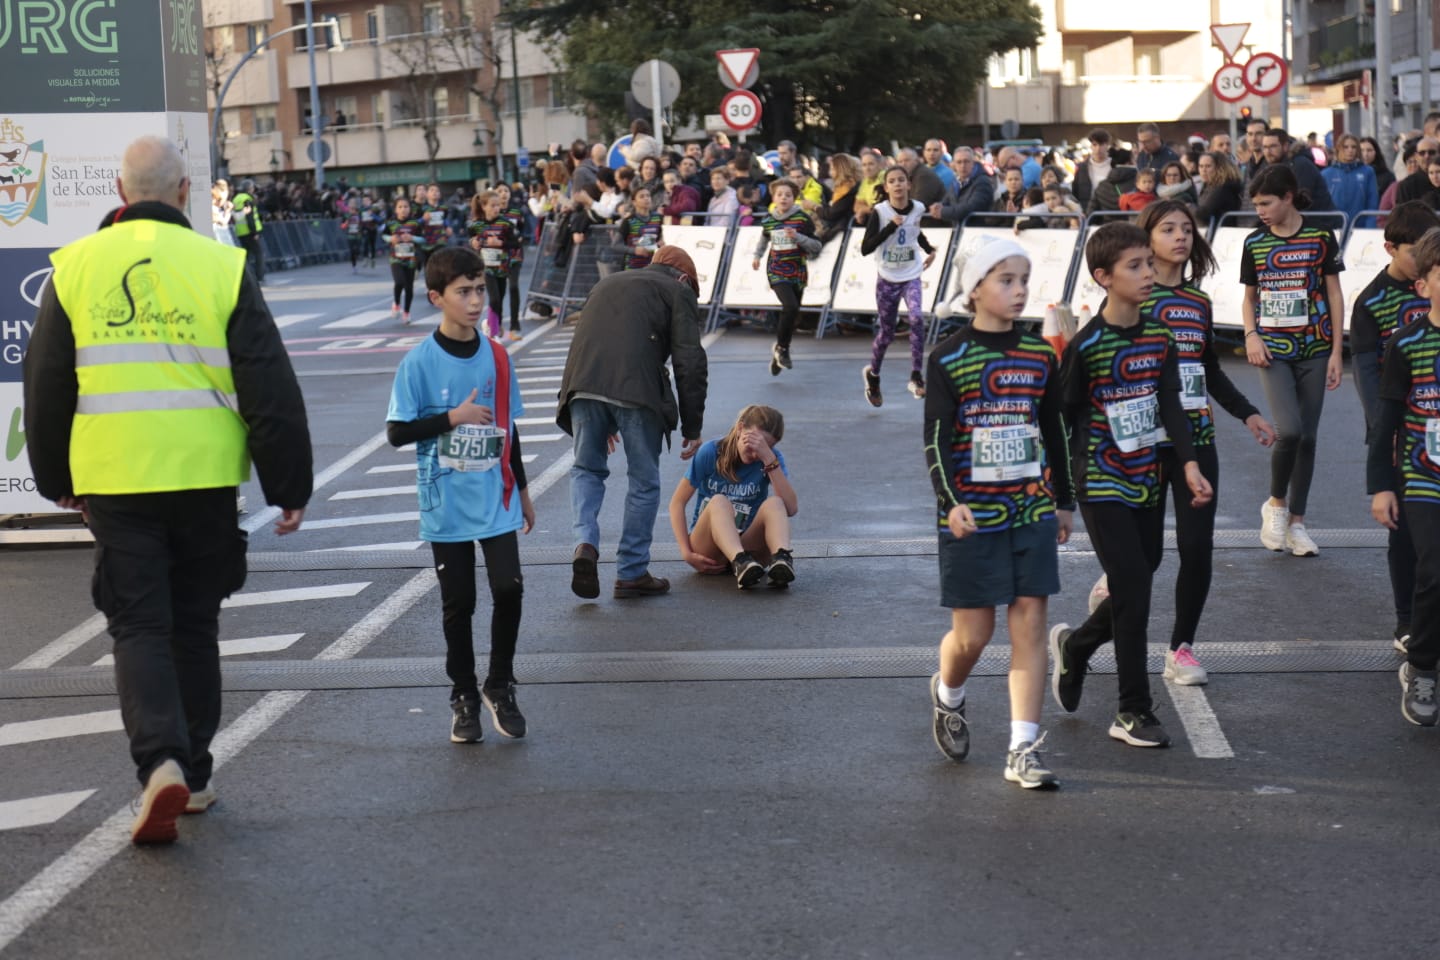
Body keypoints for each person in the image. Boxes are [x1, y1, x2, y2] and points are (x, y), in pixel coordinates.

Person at [23, 135, 312, 844]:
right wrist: (289, 482)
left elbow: (47, 382)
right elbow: (266, 381)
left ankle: (160, 764)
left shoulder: (75, 267)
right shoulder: (220, 266)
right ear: (185, 191)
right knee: (194, 624)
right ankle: (199, 775)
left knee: (139, 626)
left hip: (117, 482)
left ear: (120, 195)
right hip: (206, 477)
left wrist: (57, 479)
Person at [1049, 222, 1213, 748]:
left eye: (1149, 263)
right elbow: (1061, 416)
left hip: (1148, 476)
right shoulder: (1088, 345)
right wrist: (1063, 496)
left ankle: (1077, 645)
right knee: (1135, 589)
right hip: (1100, 480)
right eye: (1135, 266)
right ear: (1103, 277)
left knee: (1140, 576)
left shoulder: (1159, 335)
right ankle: (1132, 710)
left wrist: (1187, 464)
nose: (1148, 274)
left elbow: (1170, 403)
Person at [923, 237, 1074, 787]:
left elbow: (1056, 429)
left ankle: (1022, 749)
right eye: (1006, 280)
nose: (1018, 291)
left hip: (1030, 507)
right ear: (976, 289)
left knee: (1030, 622)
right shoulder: (947, 357)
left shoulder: (1039, 354)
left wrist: (1064, 501)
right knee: (973, 636)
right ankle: (948, 692)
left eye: (1023, 280)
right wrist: (950, 503)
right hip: (972, 514)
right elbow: (936, 439)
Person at [386, 247, 535, 744]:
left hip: (495, 495)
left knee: (509, 588)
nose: (476, 301)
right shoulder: (418, 364)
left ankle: (500, 683)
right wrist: (451, 419)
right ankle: (464, 695)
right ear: (436, 298)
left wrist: (525, 490)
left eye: (480, 289)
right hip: (445, 503)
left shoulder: (496, 355)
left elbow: (507, 424)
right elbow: (396, 432)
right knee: (460, 604)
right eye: (464, 292)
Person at [1134, 200, 1276, 684]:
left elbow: (1208, 368)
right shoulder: (1135, 298)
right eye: (1168, 229)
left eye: (1186, 230)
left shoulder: (1197, 302)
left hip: (1197, 441)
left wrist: (1248, 413)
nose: (1180, 237)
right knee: (1146, 557)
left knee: (1197, 548)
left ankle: (1181, 649)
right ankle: (1091, 624)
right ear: (1147, 237)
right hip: (1144, 444)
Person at [557, 245, 709, 600]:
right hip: (638, 391)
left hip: (584, 385)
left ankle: (585, 543)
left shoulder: (608, 283)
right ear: (685, 277)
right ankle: (631, 571)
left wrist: (579, 403)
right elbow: (690, 361)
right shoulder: (678, 290)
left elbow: (581, 343)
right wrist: (692, 427)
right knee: (643, 481)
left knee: (586, 469)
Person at [1241, 164, 1345, 556]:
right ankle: (1276, 505)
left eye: (1266, 202)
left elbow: (1334, 294)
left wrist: (1336, 350)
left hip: (1315, 347)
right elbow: (1249, 298)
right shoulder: (1255, 243)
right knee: (1290, 430)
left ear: (1287, 197)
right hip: (1273, 349)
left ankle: (1298, 524)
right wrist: (1251, 335)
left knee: (1310, 437)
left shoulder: (1321, 237)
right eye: (1256, 204)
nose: (1261, 210)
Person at [1350, 202, 1439, 653]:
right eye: (1414, 250)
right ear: (1391, 249)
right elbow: (1367, 376)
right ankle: (1406, 620)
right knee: (1404, 531)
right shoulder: (1372, 301)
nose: (1423, 255)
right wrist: (1380, 436)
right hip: (1401, 425)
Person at [1369, 226, 1440, 725]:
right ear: (1425, 284)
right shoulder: (1408, 343)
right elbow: (1386, 423)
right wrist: (1380, 486)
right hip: (1421, 477)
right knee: (1434, 568)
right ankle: (1422, 668)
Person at [667, 404, 798, 589]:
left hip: (748, 547)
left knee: (776, 503)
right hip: (709, 548)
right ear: (740, 428)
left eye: (764, 448)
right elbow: (677, 503)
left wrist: (769, 460)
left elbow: (791, 508)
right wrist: (686, 552)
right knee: (719, 501)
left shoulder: (771, 459)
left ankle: (781, 560)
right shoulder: (711, 452)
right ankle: (739, 562)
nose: (755, 454)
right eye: (753, 444)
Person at [860, 165, 937, 405]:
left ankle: (916, 376)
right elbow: (866, 248)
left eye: (901, 180)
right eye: (892, 181)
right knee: (887, 333)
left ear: (908, 184)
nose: (897, 184)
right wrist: (891, 227)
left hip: (911, 274)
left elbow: (915, 232)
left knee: (916, 319)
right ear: (886, 187)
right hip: (887, 278)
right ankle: (873, 375)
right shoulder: (880, 212)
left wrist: (929, 250)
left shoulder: (918, 208)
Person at [752, 179, 821, 377]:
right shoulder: (769, 219)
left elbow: (816, 246)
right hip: (776, 270)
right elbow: (763, 239)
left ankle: (781, 350)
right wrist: (757, 256)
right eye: (780, 194)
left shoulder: (802, 219)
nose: (783, 198)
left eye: (788, 195)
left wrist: (798, 237)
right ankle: (782, 349)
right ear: (774, 198)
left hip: (797, 271)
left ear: (794, 198)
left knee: (794, 313)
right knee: (789, 306)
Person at [467, 190, 522, 340]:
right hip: (487, 268)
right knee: (494, 298)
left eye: (498, 205)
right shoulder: (477, 225)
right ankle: (494, 334)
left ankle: (491, 324)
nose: (496, 208)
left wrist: (501, 243)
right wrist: (474, 242)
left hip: (502, 267)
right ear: (484, 206)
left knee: (500, 298)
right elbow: (471, 238)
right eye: (493, 205)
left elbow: (515, 243)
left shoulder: (505, 224)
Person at [1322, 133, 1380, 227]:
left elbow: (1372, 203)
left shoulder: (1368, 172)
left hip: (1360, 228)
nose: (1350, 150)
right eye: (1345, 147)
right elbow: (1322, 205)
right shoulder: (1326, 174)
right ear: (1338, 149)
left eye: (1353, 147)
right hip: (1334, 228)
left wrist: (1370, 227)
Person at [930, 146, 994, 228]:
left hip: (978, 233)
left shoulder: (983, 182)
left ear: (973, 162)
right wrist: (937, 207)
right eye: (959, 162)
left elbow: (970, 208)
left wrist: (942, 212)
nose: (963, 165)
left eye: (966, 161)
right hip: (959, 232)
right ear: (954, 164)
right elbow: (946, 201)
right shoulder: (955, 182)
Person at [495, 182, 528, 337]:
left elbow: (522, 229)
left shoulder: (516, 212)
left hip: (514, 255)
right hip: (497, 258)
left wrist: (519, 238)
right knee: (499, 293)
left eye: (506, 190)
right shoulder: (491, 214)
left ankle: (515, 325)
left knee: (513, 286)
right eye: (500, 191)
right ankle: (498, 324)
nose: (503, 193)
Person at [384, 197, 423, 322]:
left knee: (409, 286)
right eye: (400, 207)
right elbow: (384, 236)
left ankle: (406, 312)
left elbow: (423, 239)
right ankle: (396, 304)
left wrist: (412, 238)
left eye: (406, 207)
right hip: (396, 258)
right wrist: (391, 239)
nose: (403, 209)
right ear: (396, 209)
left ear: (410, 209)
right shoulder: (390, 223)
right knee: (399, 281)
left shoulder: (415, 223)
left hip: (411, 259)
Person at [620, 186, 664, 269]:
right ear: (634, 202)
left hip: (652, 266)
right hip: (632, 267)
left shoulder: (659, 218)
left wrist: (661, 243)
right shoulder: (629, 221)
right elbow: (616, 244)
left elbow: (661, 240)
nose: (646, 198)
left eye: (648, 196)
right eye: (642, 196)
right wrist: (634, 250)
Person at [1196, 150, 1244, 227]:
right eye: (1201, 166)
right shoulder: (1208, 185)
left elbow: (1204, 213)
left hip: (1222, 233)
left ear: (1219, 168)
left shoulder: (1223, 187)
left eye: (1208, 166)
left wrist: (1188, 207)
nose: (1203, 170)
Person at [230, 178, 264, 282]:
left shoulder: (236, 198)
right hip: (250, 231)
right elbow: (250, 216)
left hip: (240, 231)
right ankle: (259, 276)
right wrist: (254, 232)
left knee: (246, 256)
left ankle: (246, 277)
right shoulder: (247, 199)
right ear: (250, 189)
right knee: (259, 254)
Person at [1087, 147, 1138, 215]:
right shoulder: (1141, 183)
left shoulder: (1102, 185)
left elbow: (1091, 212)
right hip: (1132, 223)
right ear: (1129, 162)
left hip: (1107, 224)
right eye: (1134, 159)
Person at [417, 183, 452, 276]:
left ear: (440, 194)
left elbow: (445, 219)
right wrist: (422, 219)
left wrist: (448, 227)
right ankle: (430, 288)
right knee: (429, 268)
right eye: (432, 190)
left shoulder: (443, 208)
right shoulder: (421, 208)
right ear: (427, 194)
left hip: (440, 240)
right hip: (426, 242)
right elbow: (413, 224)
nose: (435, 192)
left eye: (437, 191)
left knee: (440, 265)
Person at [1072, 130, 1112, 210]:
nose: (1098, 148)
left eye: (1102, 144)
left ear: (1107, 146)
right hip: (1088, 210)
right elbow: (1075, 191)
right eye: (1095, 144)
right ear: (1091, 146)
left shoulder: (1115, 166)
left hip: (1110, 210)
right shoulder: (1082, 168)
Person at [1396, 138, 1440, 206]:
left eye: (1431, 152)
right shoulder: (1407, 185)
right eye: (1422, 153)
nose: (1426, 156)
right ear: (1416, 156)